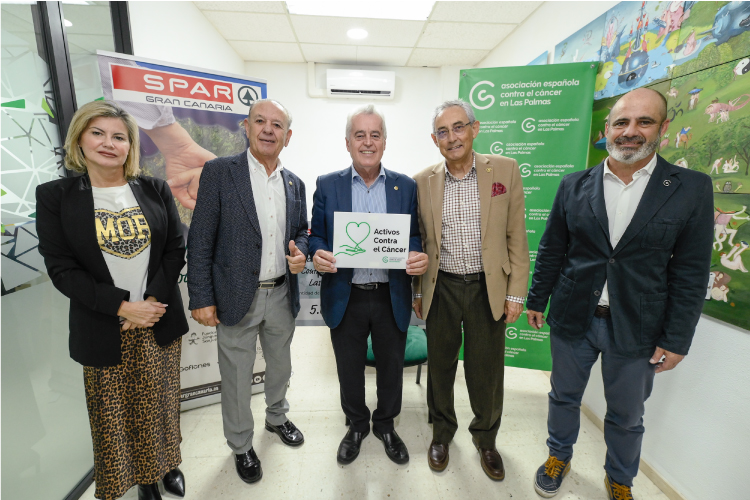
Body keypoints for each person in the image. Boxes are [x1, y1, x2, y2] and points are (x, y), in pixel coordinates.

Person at [526, 88, 714, 500]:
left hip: (639, 327)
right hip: (574, 317)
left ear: (662, 128)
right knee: (562, 397)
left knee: (627, 416)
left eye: (644, 122)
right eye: (621, 122)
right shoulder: (574, 184)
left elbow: (691, 271)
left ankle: (620, 479)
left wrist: (677, 338)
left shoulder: (691, 188)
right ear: (607, 129)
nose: (630, 131)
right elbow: (553, 248)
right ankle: (558, 456)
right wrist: (537, 299)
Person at [35, 100, 189, 500]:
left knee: (160, 403)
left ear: (130, 146)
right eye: (98, 133)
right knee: (113, 414)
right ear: (79, 140)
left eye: (119, 136)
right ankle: (139, 479)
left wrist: (150, 304)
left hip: (156, 318)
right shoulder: (56, 196)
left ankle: (164, 466)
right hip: (105, 323)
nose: (108, 143)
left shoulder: (154, 188)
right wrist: (123, 306)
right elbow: (61, 268)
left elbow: (175, 248)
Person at [187, 98, 308, 484]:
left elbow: (301, 231)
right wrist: (201, 296)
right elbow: (200, 239)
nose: (268, 129)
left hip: (281, 294)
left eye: (277, 125)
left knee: (281, 366)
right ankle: (241, 444)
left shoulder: (295, 182)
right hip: (236, 294)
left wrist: (301, 252)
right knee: (237, 375)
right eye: (260, 121)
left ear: (288, 136)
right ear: (247, 127)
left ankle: (276, 417)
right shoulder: (220, 172)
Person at [412, 99, 530, 480]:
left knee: (487, 369)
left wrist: (515, 293)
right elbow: (419, 242)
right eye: (443, 132)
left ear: (474, 129)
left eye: (459, 127)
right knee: (440, 366)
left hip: (486, 287)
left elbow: (516, 237)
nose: (452, 137)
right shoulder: (422, 181)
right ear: (434, 140)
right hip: (441, 287)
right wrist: (418, 291)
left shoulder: (505, 170)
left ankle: (486, 439)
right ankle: (442, 433)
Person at [309, 104, 428, 465]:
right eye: (359, 135)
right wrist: (317, 253)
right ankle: (357, 425)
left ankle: (386, 425)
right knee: (349, 369)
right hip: (346, 295)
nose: (367, 142)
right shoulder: (327, 184)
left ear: (385, 142)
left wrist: (415, 253)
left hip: (390, 294)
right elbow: (317, 236)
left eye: (375, 135)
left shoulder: (405, 186)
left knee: (391, 368)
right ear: (347, 142)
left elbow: (415, 235)